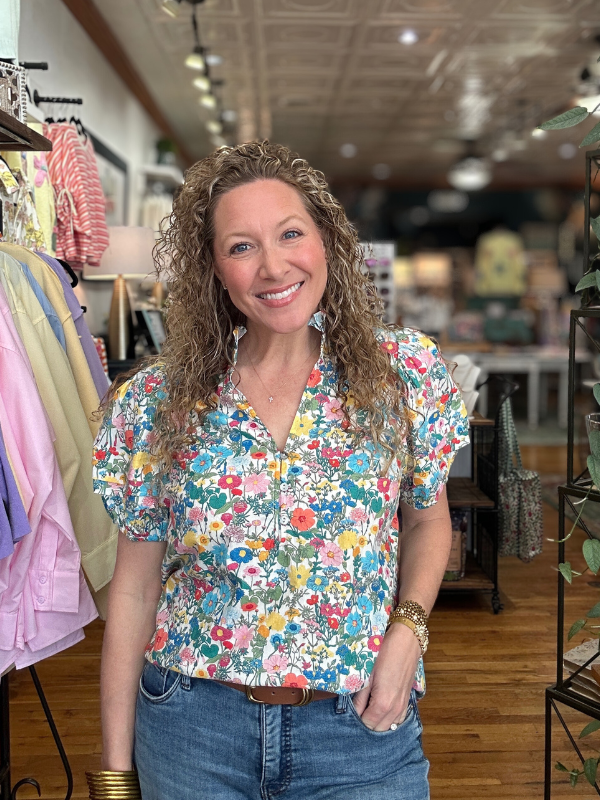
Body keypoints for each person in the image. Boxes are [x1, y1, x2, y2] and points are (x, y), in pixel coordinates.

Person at [89, 140, 469, 800]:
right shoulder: (158, 402)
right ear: (214, 269)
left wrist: (409, 629)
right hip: (191, 729)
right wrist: (114, 775)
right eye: (241, 246)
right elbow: (133, 590)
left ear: (325, 242)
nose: (272, 266)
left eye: (290, 233)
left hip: (358, 728)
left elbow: (429, 524)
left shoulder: (400, 377)